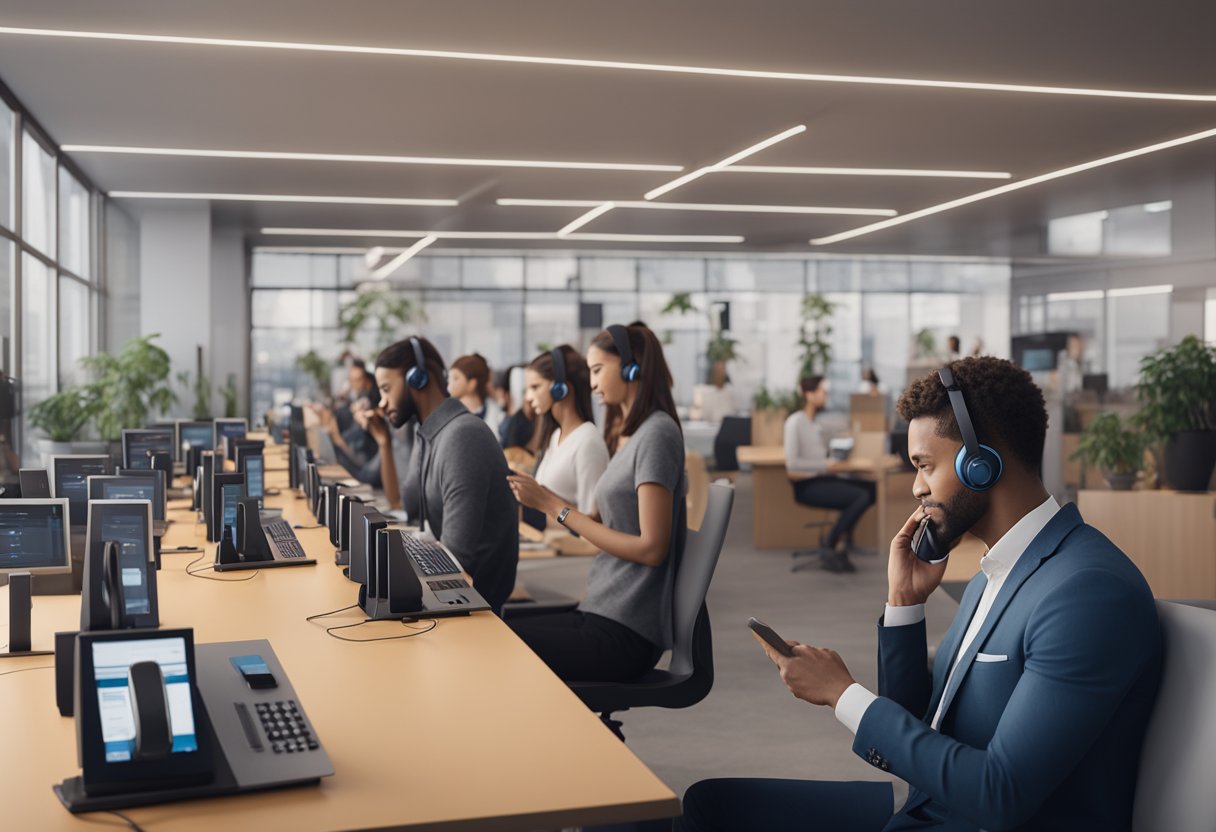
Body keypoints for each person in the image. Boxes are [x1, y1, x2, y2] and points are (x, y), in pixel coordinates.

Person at [681, 357, 1162, 832]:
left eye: (924, 465)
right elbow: (918, 727)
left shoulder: (1087, 593)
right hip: (926, 812)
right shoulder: (994, 572)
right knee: (711, 803)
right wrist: (905, 602)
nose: (916, 487)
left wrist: (841, 694)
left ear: (981, 464)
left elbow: (1000, 795)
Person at [506, 324, 687, 683]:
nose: (591, 384)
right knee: (496, 625)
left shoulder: (657, 434)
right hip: (603, 610)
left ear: (631, 368)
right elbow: (601, 524)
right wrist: (546, 503)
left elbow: (652, 548)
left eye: (597, 370)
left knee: (501, 645)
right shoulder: (634, 436)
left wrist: (554, 506)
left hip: (626, 631)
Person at [373, 336, 519, 614]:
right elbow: (410, 505)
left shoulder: (463, 435)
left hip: (473, 611)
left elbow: (457, 558)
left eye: (386, 389)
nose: (382, 402)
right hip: (453, 599)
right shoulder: (434, 431)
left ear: (417, 379)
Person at [785, 375, 876, 573]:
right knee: (860, 496)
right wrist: (825, 465)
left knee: (872, 489)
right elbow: (792, 464)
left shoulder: (813, 423)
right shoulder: (795, 422)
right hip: (808, 485)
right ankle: (831, 543)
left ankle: (841, 541)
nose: (825, 395)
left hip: (822, 477)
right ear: (809, 394)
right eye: (822, 392)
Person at [523, 345, 609, 515]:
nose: (528, 397)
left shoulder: (587, 442)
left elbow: (591, 521)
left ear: (559, 389)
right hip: (547, 540)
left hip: (571, 542)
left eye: (535, 387)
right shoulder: (556, 437)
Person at [449, 353, 505, 438]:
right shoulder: (449, 415)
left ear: (472, 384)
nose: (450, 383)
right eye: (449, 378)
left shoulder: (499, 418)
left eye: (456, 378)